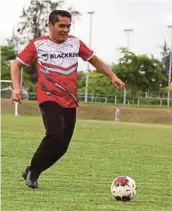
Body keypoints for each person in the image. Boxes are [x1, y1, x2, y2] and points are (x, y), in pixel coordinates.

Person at [10, 10, 125, 189]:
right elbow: (16, 65)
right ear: (50, 25)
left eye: (68, 26)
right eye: (61, 26)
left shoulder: (75, 43)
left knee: (62, 147)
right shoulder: (38, 45)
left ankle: (32, 169)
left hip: (70, 100)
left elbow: (95, 61)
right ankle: (33, 174)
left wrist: (112, 76)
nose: (65, 30)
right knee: (54, 134)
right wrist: (16, 88)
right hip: (48, 97)